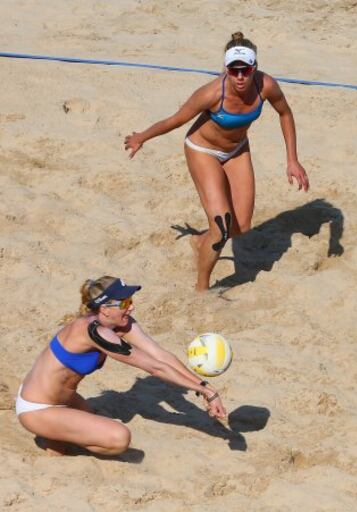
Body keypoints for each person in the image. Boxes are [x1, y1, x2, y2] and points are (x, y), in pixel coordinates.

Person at [124, 32, 309, 291]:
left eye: (246, 70)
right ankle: (202, 288)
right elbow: (174, 120)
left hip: (237, 150)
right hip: (203, 151)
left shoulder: (266, 85)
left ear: (255, 68)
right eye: (234, 71)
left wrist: (293, 159)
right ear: (226, 69)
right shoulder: (211, 93)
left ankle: (201, 241)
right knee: (221, 227)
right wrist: (142, 137)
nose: (241, 77)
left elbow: (285, 113)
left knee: (241, 226)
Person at [16, 276, 226, 456]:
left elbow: (160, 356)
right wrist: (203, 391)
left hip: (66, 400)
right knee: (119, 438)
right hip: (37, 407)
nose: (131, 306)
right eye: (124, 303)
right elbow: (154, 368)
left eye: (130, 300)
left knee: (89, 422)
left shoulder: (119, 323)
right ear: (105, 309)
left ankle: (56, 437)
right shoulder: (92, 331)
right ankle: (51, 434)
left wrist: (205, 387)